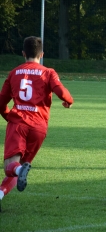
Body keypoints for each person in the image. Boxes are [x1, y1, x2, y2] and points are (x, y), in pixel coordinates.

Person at [0, 36, 74, 212]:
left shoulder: (14, 73)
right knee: (20, 165)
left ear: (23, 53)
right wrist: (68, 101)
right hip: (39, 127)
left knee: (10, 167)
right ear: (42, 54)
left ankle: (19, 171)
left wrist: (8, 116)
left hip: (18, 124)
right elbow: (61, 92)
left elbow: (1, 102)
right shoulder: (48, 72)